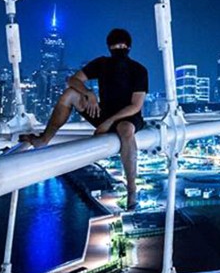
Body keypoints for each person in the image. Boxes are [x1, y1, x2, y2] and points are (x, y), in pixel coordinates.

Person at [21, 28, 148, 210]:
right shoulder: (102, 64)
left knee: (125, 129)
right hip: (102, 112)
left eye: (121, 45)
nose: (118, 48)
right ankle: (44, 139)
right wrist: (88, 93)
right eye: (115, 45)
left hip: (128, 117)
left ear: (128, 47)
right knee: (70, 95)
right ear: (109, 47)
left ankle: (131, 189)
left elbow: (135, 106)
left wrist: (108, 122)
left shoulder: (138, 70)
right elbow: (73, 80)